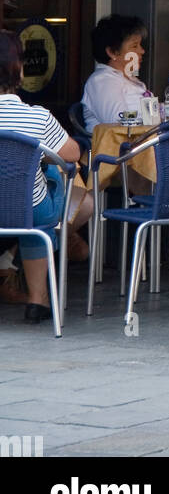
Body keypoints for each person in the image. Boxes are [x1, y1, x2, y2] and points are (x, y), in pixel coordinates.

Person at [0, 31, 91, 321]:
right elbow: (73, 153)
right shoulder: (37, 117)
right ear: (20, 70)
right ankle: (38, 301)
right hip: (28, 208)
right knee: (49, 179)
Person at [81, 14, 149, 133]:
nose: (142, 51)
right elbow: (117, 122)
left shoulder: (130, 80)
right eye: (135, 46)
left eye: (140, 45)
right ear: (112, 52)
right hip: (122, 150)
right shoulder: (103, 81)